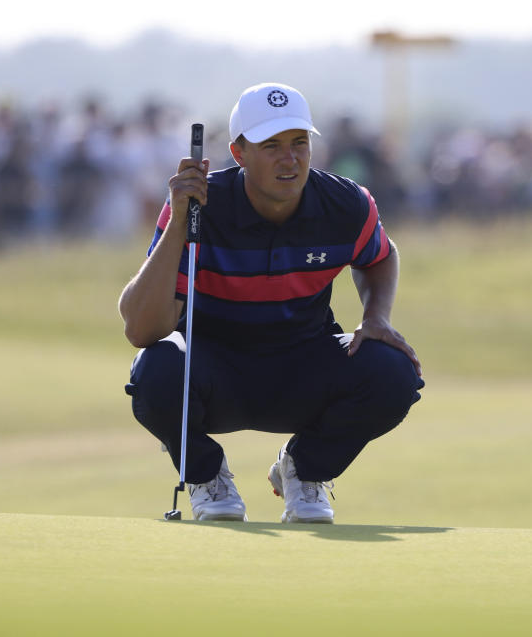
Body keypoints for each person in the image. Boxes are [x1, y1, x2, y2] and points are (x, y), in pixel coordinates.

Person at [119, 83, 424, 523]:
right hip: (212, 371)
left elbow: (380, 255)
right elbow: (140, 329)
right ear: (239, 153)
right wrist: (179, 225)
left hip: (305, 364)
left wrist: (376, 317)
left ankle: (303, 469)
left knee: (393, 371)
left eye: (300, 143)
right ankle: (206, 475)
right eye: (272, 146)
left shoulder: (346, 204)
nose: (291, 158)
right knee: (156, 370)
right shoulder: (200, 206)